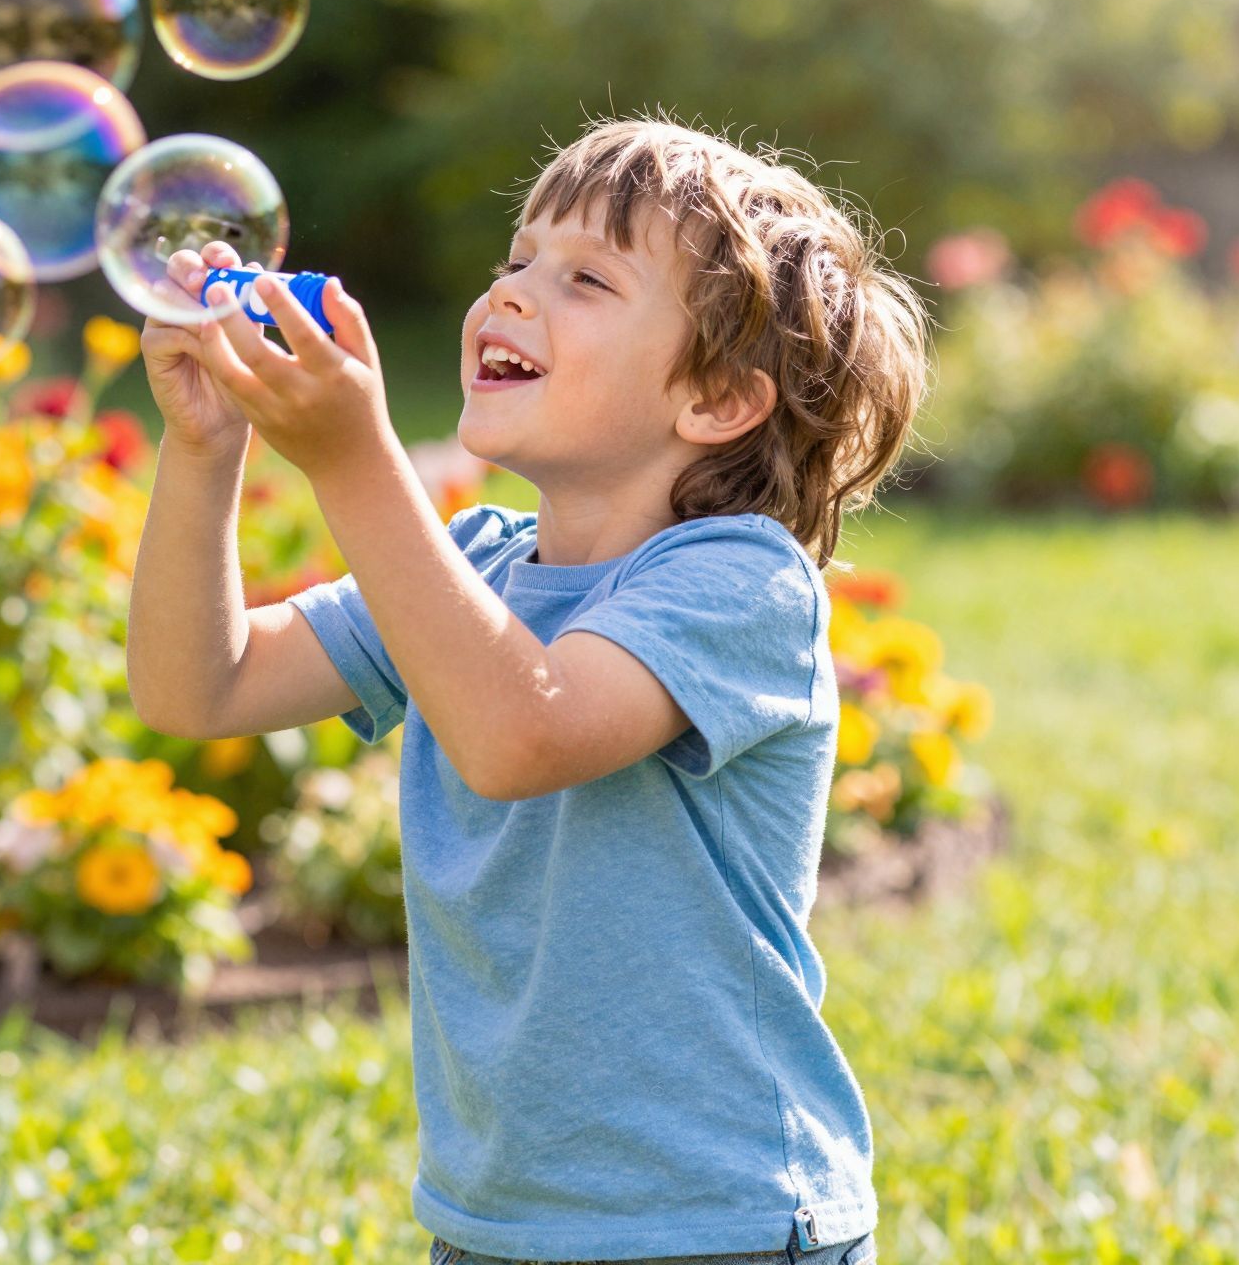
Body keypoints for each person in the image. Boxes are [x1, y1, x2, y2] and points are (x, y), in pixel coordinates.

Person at [125, 115, 929, 1265]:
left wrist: (353, 455)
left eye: (585, 278)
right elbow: (194, 686)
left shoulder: (738, 582)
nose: (509, 294)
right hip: (495, 1221)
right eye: (513, 261)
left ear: (712, 400)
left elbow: (518, 733)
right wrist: (203, 450)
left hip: (717, 1219)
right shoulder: (475, 568)